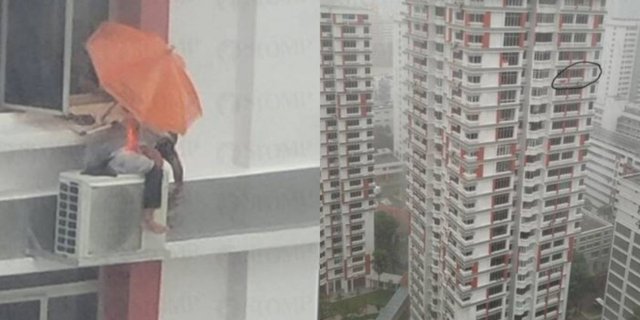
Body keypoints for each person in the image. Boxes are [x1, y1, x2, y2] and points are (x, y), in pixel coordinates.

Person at [84, 118, 184, 233]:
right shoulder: (133, 120)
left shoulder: (126, 118)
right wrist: (146, 150)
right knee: (153, 168)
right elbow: (129, 144)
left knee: (150, 166)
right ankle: (148, 219)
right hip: (111, 157)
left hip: (104, 156)